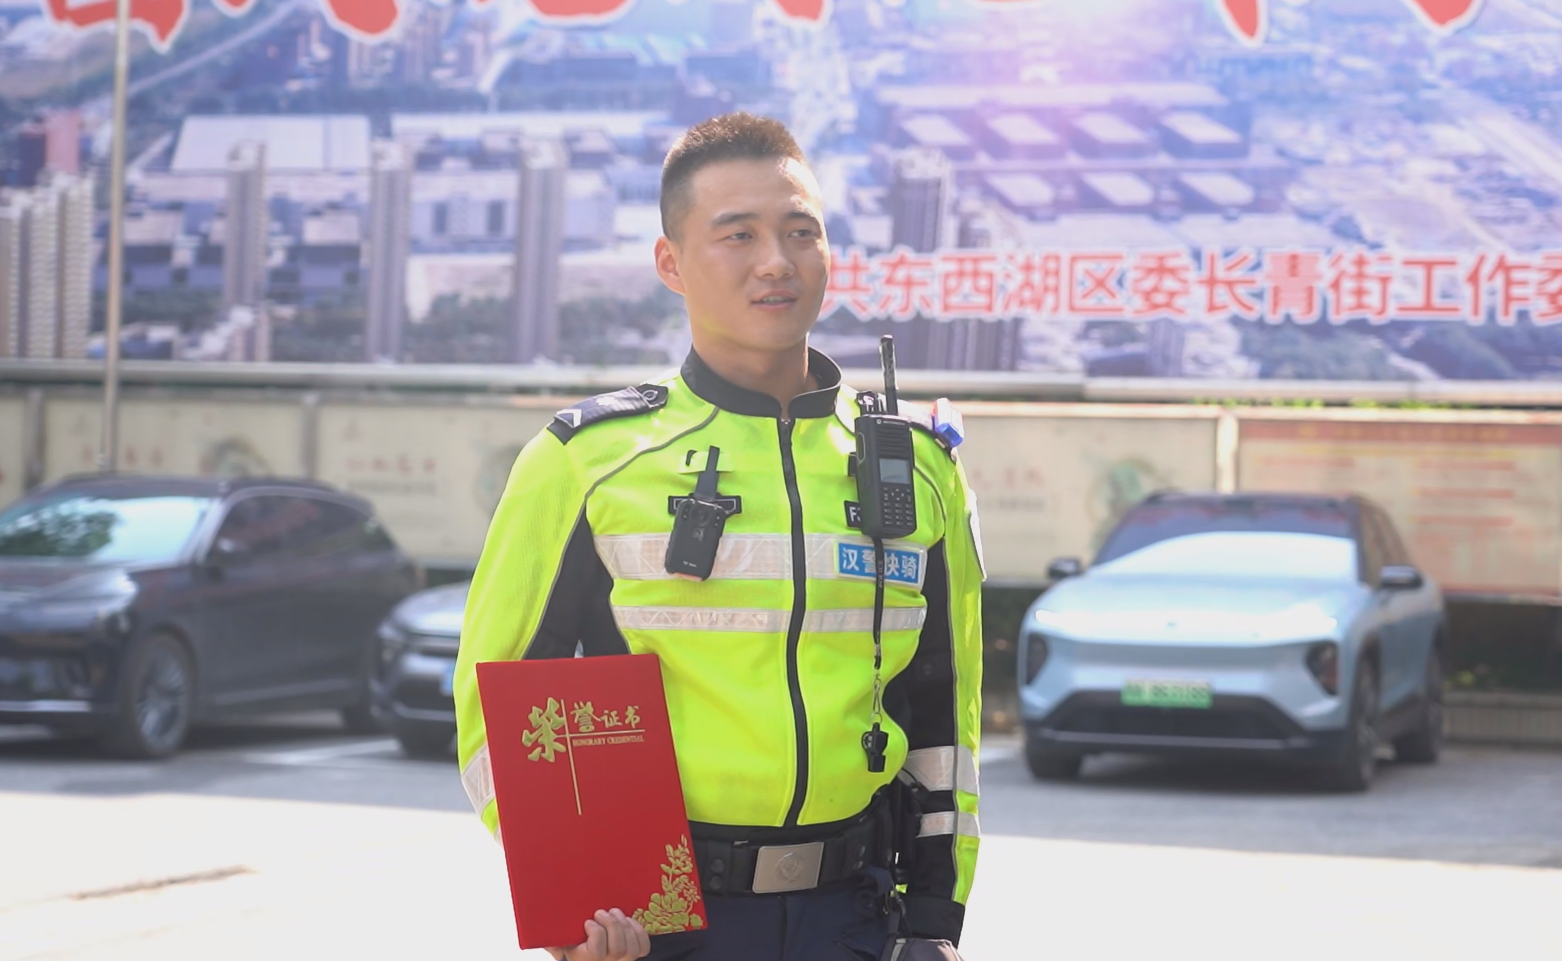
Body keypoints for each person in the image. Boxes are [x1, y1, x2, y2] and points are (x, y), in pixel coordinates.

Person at [453, 112, 984, 961]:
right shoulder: (586, 461)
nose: (776, 261)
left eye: (801, 231)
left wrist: (934, 921)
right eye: (738, 234)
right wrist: (576, 905)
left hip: (857, 919)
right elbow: (500, 698)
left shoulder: (919, 465)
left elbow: (945, 713)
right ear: (671, 263)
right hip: (659, 923)